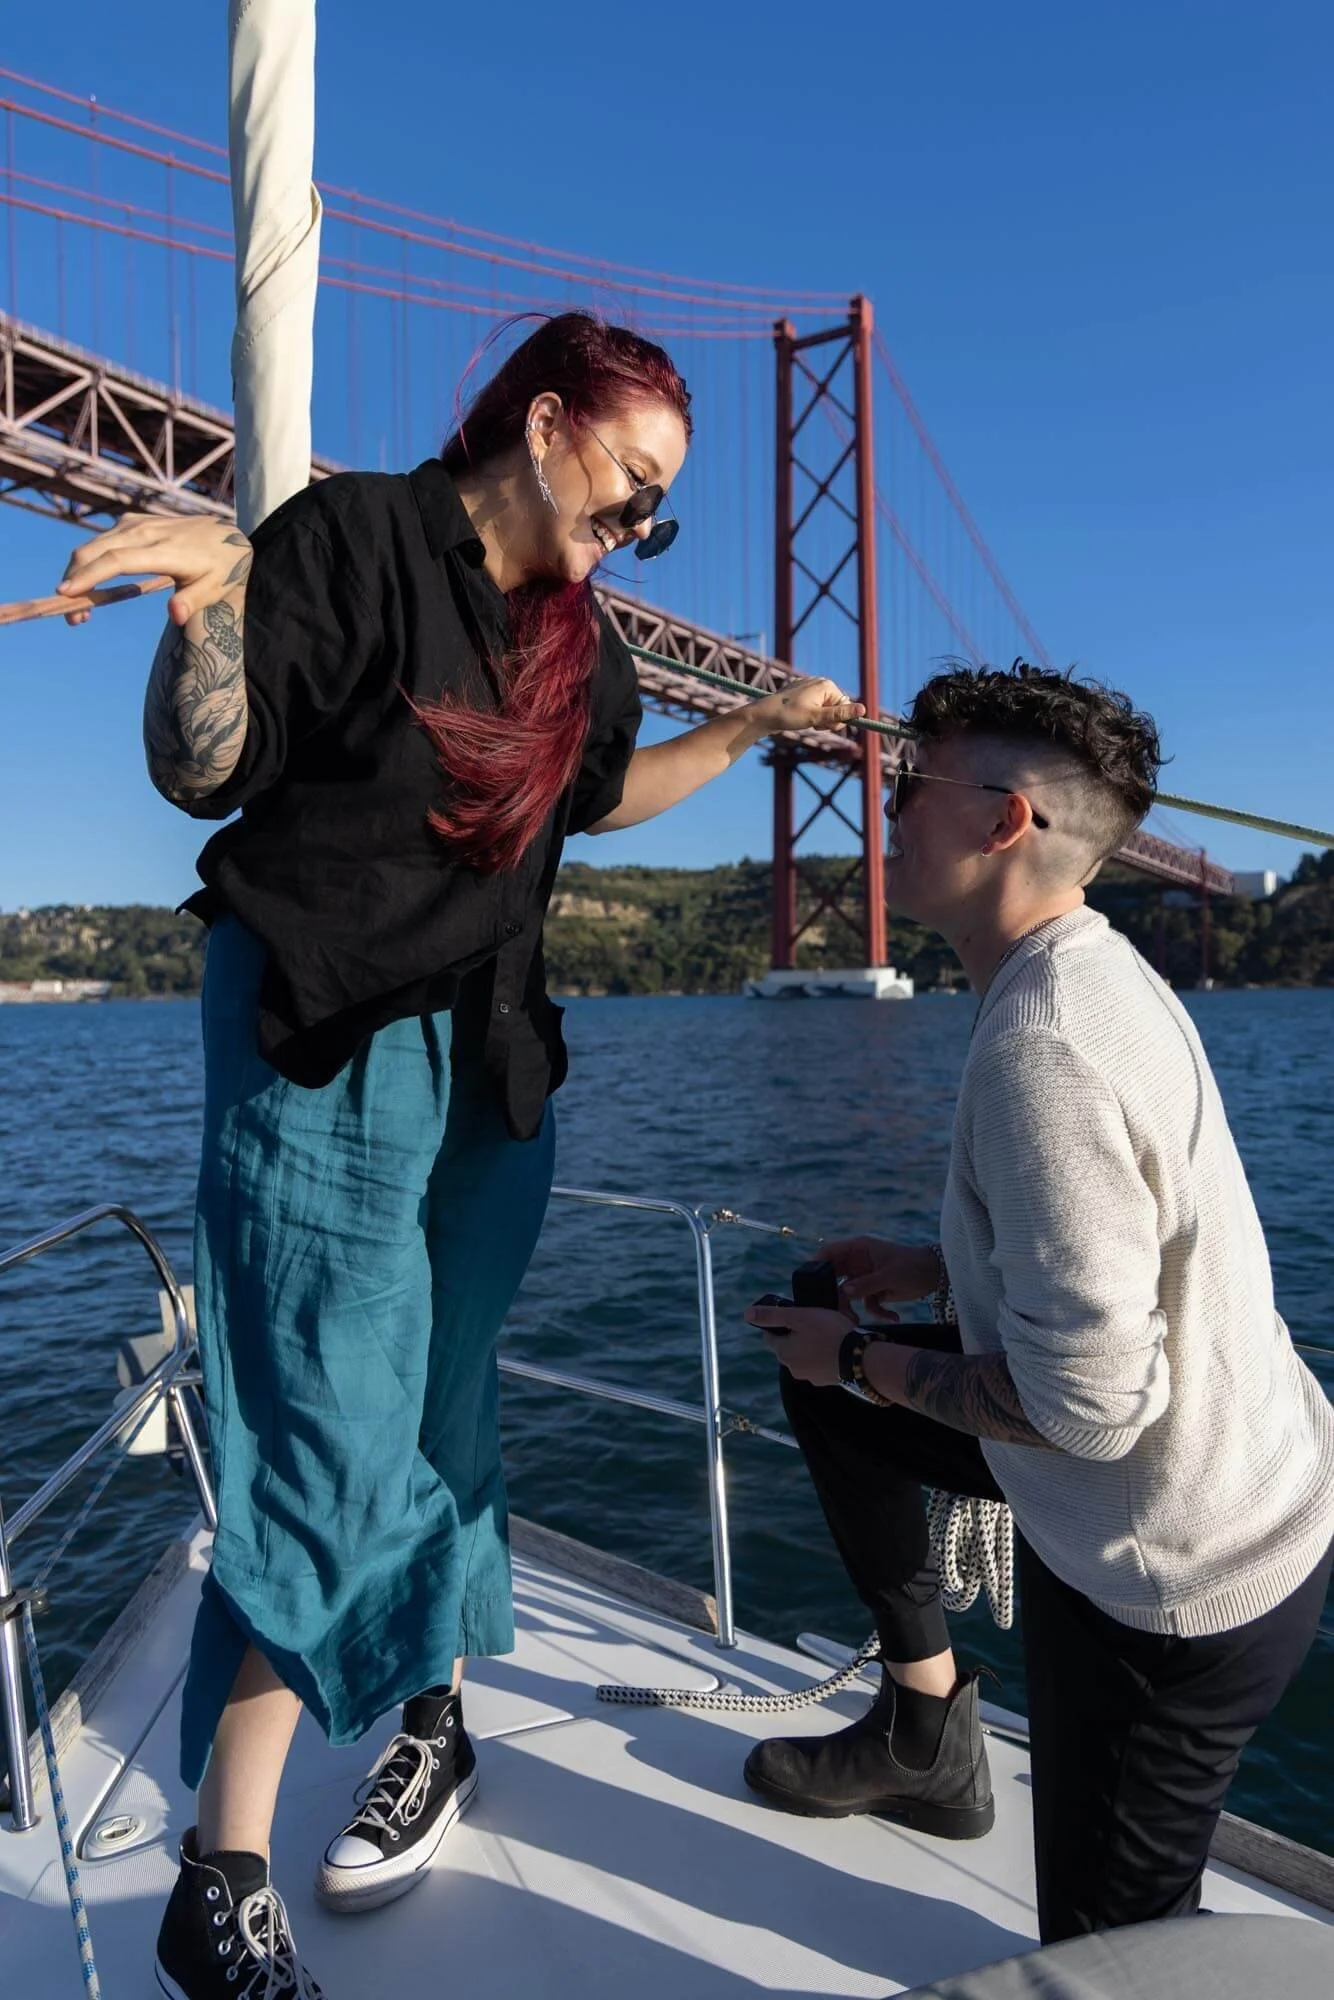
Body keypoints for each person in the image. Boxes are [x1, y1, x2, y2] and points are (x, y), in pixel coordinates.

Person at [59, 312, 863, 2000]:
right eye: (631, 485)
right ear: (550, 422)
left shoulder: (584, 635)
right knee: (329, 1449)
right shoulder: (351, 541)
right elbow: (202, 765)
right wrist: (213, 605)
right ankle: (219, 1878)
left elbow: (591, 796)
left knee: (440, 1417)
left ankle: (431, 1718)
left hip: (491, 1066)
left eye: (660, 513)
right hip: (321, 1037)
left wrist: (751, 734)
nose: (636, 526)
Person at [744, 662, 1334, 1945]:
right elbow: (1124, 1247)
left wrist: (860, 1355)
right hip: (1220, 1488)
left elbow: (1088, 1407)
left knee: (1105, 1954)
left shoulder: (1042, 1043)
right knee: (827, 1394)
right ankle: (922, 1727)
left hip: (1177, 1573)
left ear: (1005, 819)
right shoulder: (1087, 974)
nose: (884, 806)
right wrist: (930, 1267)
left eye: (909, 782)